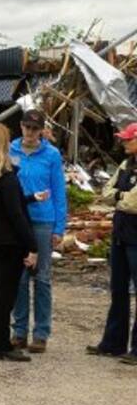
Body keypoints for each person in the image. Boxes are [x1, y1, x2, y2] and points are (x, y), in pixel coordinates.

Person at [0, 123, 38, 361]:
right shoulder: (7, 178)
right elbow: (16, 214)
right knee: (5, 292)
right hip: (11, 240)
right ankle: (0, 343)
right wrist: (32, 245)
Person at [9, 109, 67, 353]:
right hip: (18, 220)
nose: (30, 132)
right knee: (19, 277)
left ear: (42, 130)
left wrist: (59, 227)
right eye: (27, 127)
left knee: (41, 277)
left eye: (35, 129)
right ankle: (19, 330)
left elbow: (59, 191)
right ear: (21, 127)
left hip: (43, 220)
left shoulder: (51, 155)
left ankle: (41, 332)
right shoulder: (10, 151)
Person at [91, 122, 137, 363]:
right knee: (118, 289)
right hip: (121, 232)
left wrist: (119, 197)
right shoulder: (126, 165)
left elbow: (133, 202)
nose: (123, 142)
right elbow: (107, 191)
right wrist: (121, 196)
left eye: (128, 139)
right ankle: (113, 342)